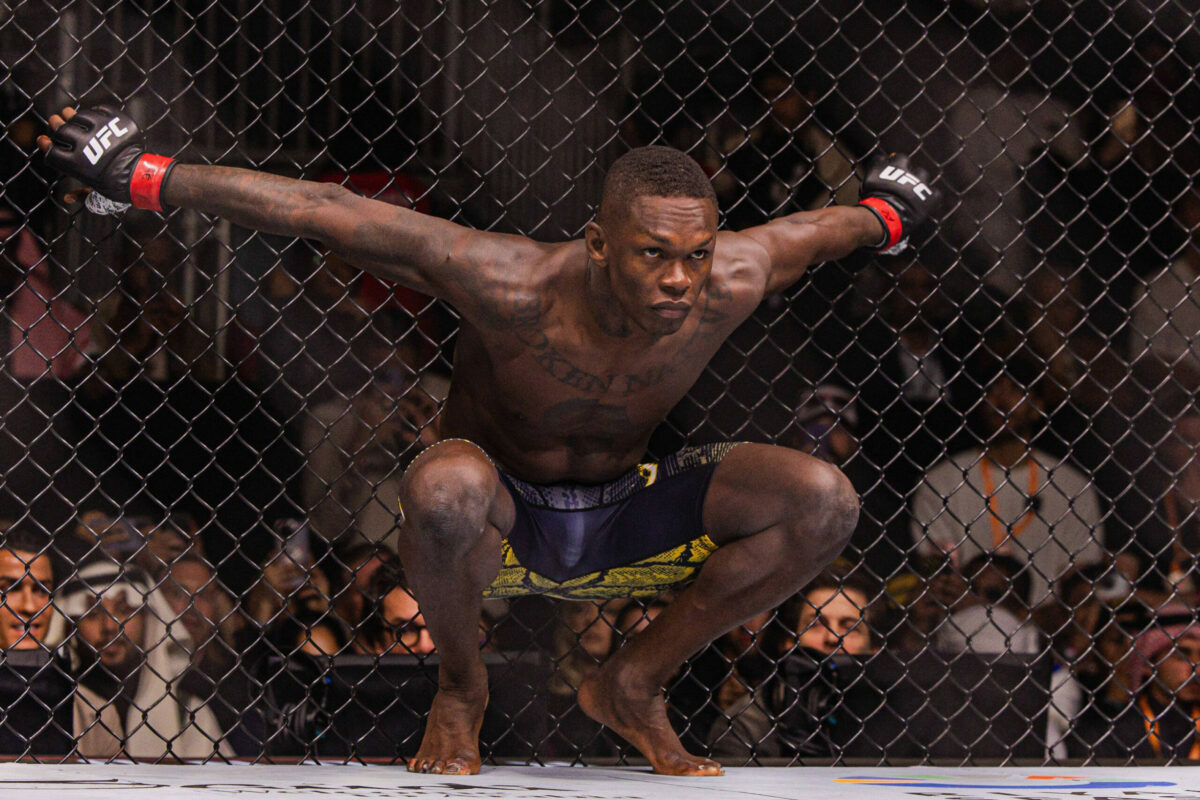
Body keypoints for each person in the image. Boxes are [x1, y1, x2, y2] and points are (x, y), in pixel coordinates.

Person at [39, 105, 939, 775]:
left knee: (824, 500)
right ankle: (461, 687)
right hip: (493, 525)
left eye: (695, 254)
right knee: (446, 486)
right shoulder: (509, 283)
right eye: (653, 254)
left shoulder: (729, 278)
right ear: (598, 244)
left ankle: (633, 682)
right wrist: (144, 174)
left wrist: (891, 212)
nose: (678, 279)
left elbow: (826, 230)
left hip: (627, 516)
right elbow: (323, 209)